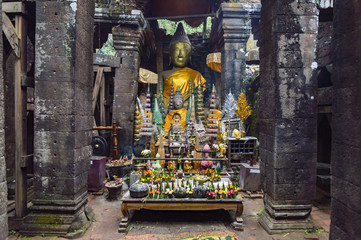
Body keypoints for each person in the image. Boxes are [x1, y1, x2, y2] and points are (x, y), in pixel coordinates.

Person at [158, 23, 206, 109]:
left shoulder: (196, 76)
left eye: (184, 50)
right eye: (176, 49)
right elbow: (159, 98)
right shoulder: (163, 74)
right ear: (170, 54)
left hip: (189, 113)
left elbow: (198, 101)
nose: (180, 54)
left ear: (189, 55)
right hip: (168, 112)